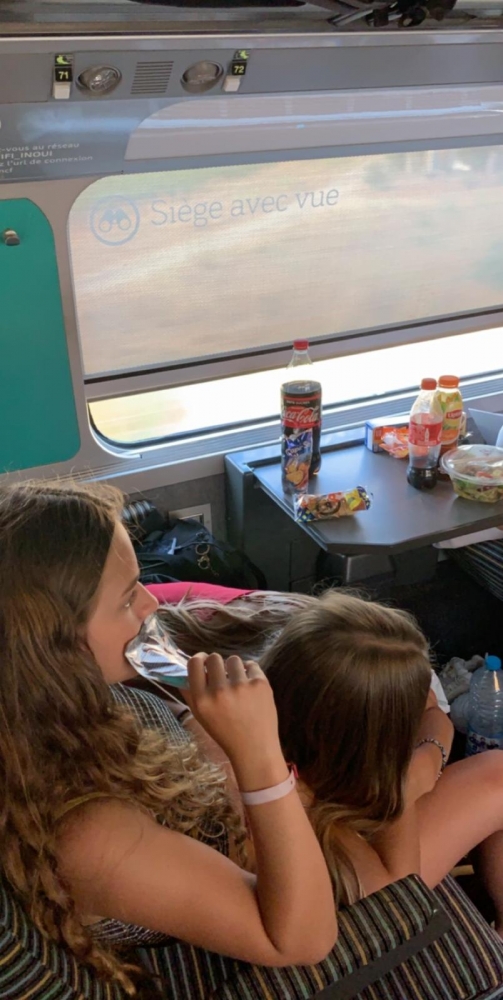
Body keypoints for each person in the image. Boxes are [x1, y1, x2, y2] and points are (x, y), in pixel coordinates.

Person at [0, 480, 337, 997]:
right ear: (56, 646)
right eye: (126, 599)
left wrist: (198, 718)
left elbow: (153, 714)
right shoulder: (92, 838)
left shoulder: (47, 710)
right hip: (263, 891)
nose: (149, 604)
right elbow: (301, 940)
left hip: (212, 808)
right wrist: (259, 756)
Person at [155, 586, 503, 936]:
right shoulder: (271, 786)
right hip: (319, 842)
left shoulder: (266, 688)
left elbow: (432, 712)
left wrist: (426, 760)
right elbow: (396, 895)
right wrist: (404, 785)